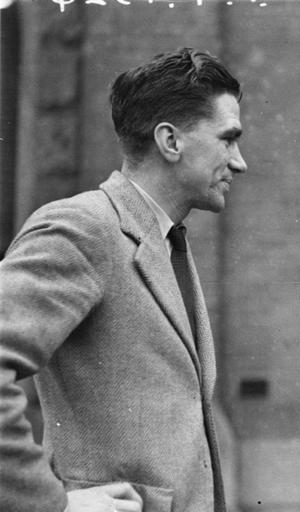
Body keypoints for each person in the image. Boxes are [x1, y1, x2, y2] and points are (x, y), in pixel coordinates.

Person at [0, 47, 247, 512]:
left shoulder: (165, 239)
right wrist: (52, 506)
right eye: (228, 139)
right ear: (170, 141)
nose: (239, 162)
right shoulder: (83, 228)